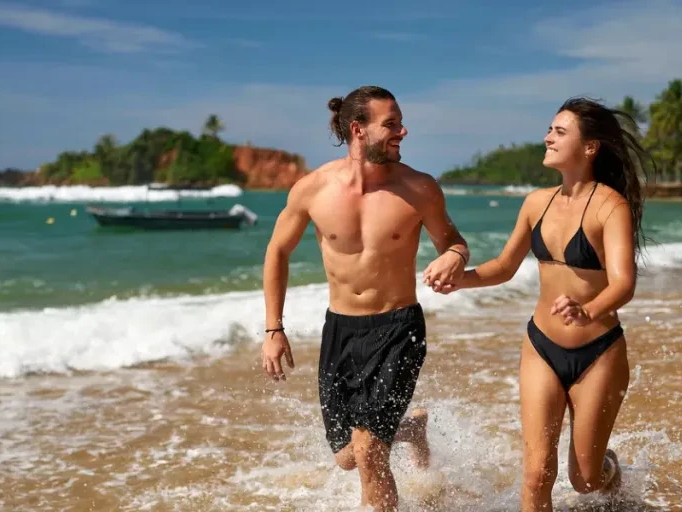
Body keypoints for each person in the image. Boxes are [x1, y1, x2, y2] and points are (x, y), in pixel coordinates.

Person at [430, 97, 651, 510]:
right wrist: (462, 281)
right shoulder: (536, 202)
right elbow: (504, 265)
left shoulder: (610, 206)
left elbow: (624, 283)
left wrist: (589, 310)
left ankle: (611, 472)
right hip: (541, 348)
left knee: (585, 480)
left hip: (598, 353)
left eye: (560, 132)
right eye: (550, 129)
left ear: (590, 148)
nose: (547, 137)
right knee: (536, 475)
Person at [260, 85, 470, 511]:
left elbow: (455, 242)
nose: (403, 131)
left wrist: (453, 257)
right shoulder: (313, 188)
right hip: (341, 331)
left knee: (370, 450)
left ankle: (387, 442)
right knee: (347, 458)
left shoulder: (419, 187)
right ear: (358, 129)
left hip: (398, 328)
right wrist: (273, 328)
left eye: (400, 122)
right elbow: (277, 251)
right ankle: (410, 428)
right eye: (391, 124)